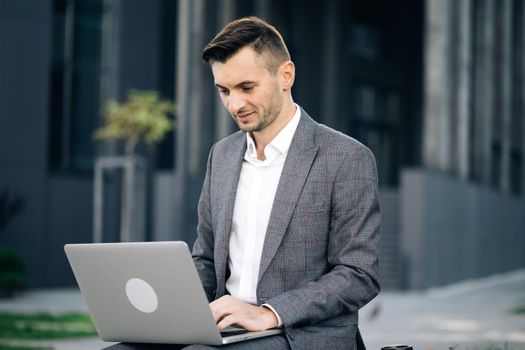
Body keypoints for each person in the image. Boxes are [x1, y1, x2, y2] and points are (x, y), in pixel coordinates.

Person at [191, 16, 381, 350]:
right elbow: (206, 259)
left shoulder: (347, 157)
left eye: (247, 87)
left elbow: (359, 274)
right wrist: (176, 315)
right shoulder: (220, 156)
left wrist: (268, 313)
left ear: (286, 75)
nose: (235, 104)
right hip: (228, 331)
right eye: (224, 90)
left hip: (302, 334)